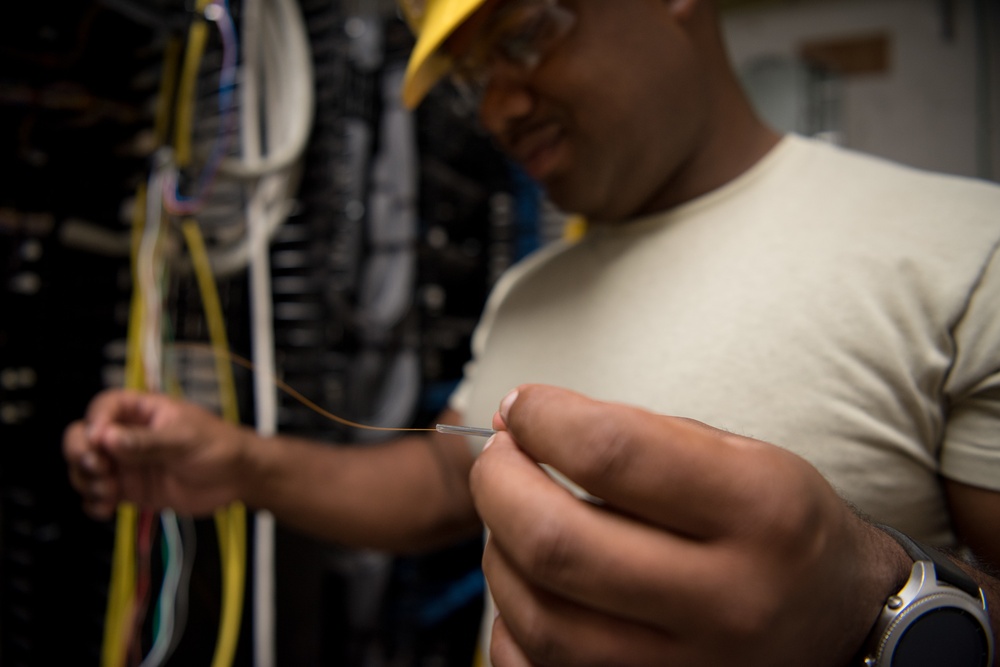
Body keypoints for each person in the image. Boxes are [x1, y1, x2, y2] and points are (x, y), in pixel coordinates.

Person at [64, 0, 1000, 665]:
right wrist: (239, 463)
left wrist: (872, 613)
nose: (498, 109)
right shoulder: (526, 290)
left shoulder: (966, 251)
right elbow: (444, 481)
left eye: (524, 32)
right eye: (476, 76)